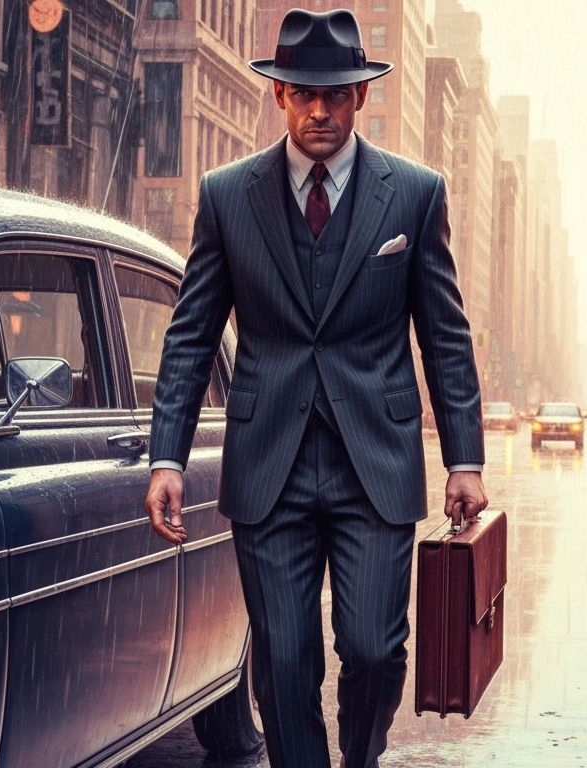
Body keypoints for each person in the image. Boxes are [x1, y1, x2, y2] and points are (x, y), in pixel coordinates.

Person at [142, 10, 487, 767]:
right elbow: (192, 332)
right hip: (271, 466)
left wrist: (466, 459)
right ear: (280, 97)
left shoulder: (415, 195)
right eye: (304, 93)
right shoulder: (228, 195)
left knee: (373, 652)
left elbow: (446, 335)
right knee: (285, 662)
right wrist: (165, 456)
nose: (320, 110)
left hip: (376, 463)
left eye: (336, 94)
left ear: (361, 96)